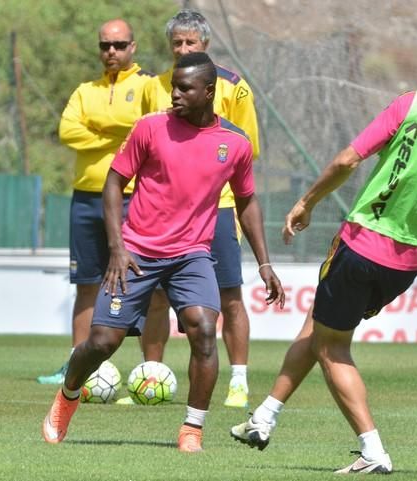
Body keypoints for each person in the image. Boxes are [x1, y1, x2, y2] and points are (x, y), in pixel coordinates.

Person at [230, 31, 417, 474]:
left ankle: (372, 448)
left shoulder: (412, 104)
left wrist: (306, 202)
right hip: (407, 266)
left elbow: (347, 161)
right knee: (319, 323)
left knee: (332, 347)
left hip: (362, 245)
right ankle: (264, 417)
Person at [41, 52, 285, 452]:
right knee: (103, 341)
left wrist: (265, 262)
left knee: (204, 329)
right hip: (137, 251)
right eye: (174, 87)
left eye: (185, 89)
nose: (175, 95)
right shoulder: (150, 128)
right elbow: (113, 183)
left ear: (209, 92)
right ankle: (67, 397)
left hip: (192, 254)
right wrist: (117, 248)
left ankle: (192, 429)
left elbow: (247, 201)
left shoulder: (234, 144)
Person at [131, 8, 261, 409]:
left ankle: (238, 379)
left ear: (205, 45)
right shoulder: (156, 86)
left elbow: (247, 148)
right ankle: (151, 374)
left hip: (216, 206)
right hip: (162, 212)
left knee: (228, 295)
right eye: (176, 43)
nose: (182, 48)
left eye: (190, 42)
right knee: (155, 296)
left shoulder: (234, 88)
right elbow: (146, 142)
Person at [37, 19, 152, 384]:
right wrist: (117, 134)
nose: (111, 52)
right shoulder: (85, 90)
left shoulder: (147, 86)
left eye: (119, 45)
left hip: (134, 198)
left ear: (133, 47)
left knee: (142, 282)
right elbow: (68, 130)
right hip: (86, 197)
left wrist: (103, 129)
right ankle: (77, 363)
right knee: (86, 283)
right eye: (105, 46)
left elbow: (149, 127)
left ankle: (150, 371)